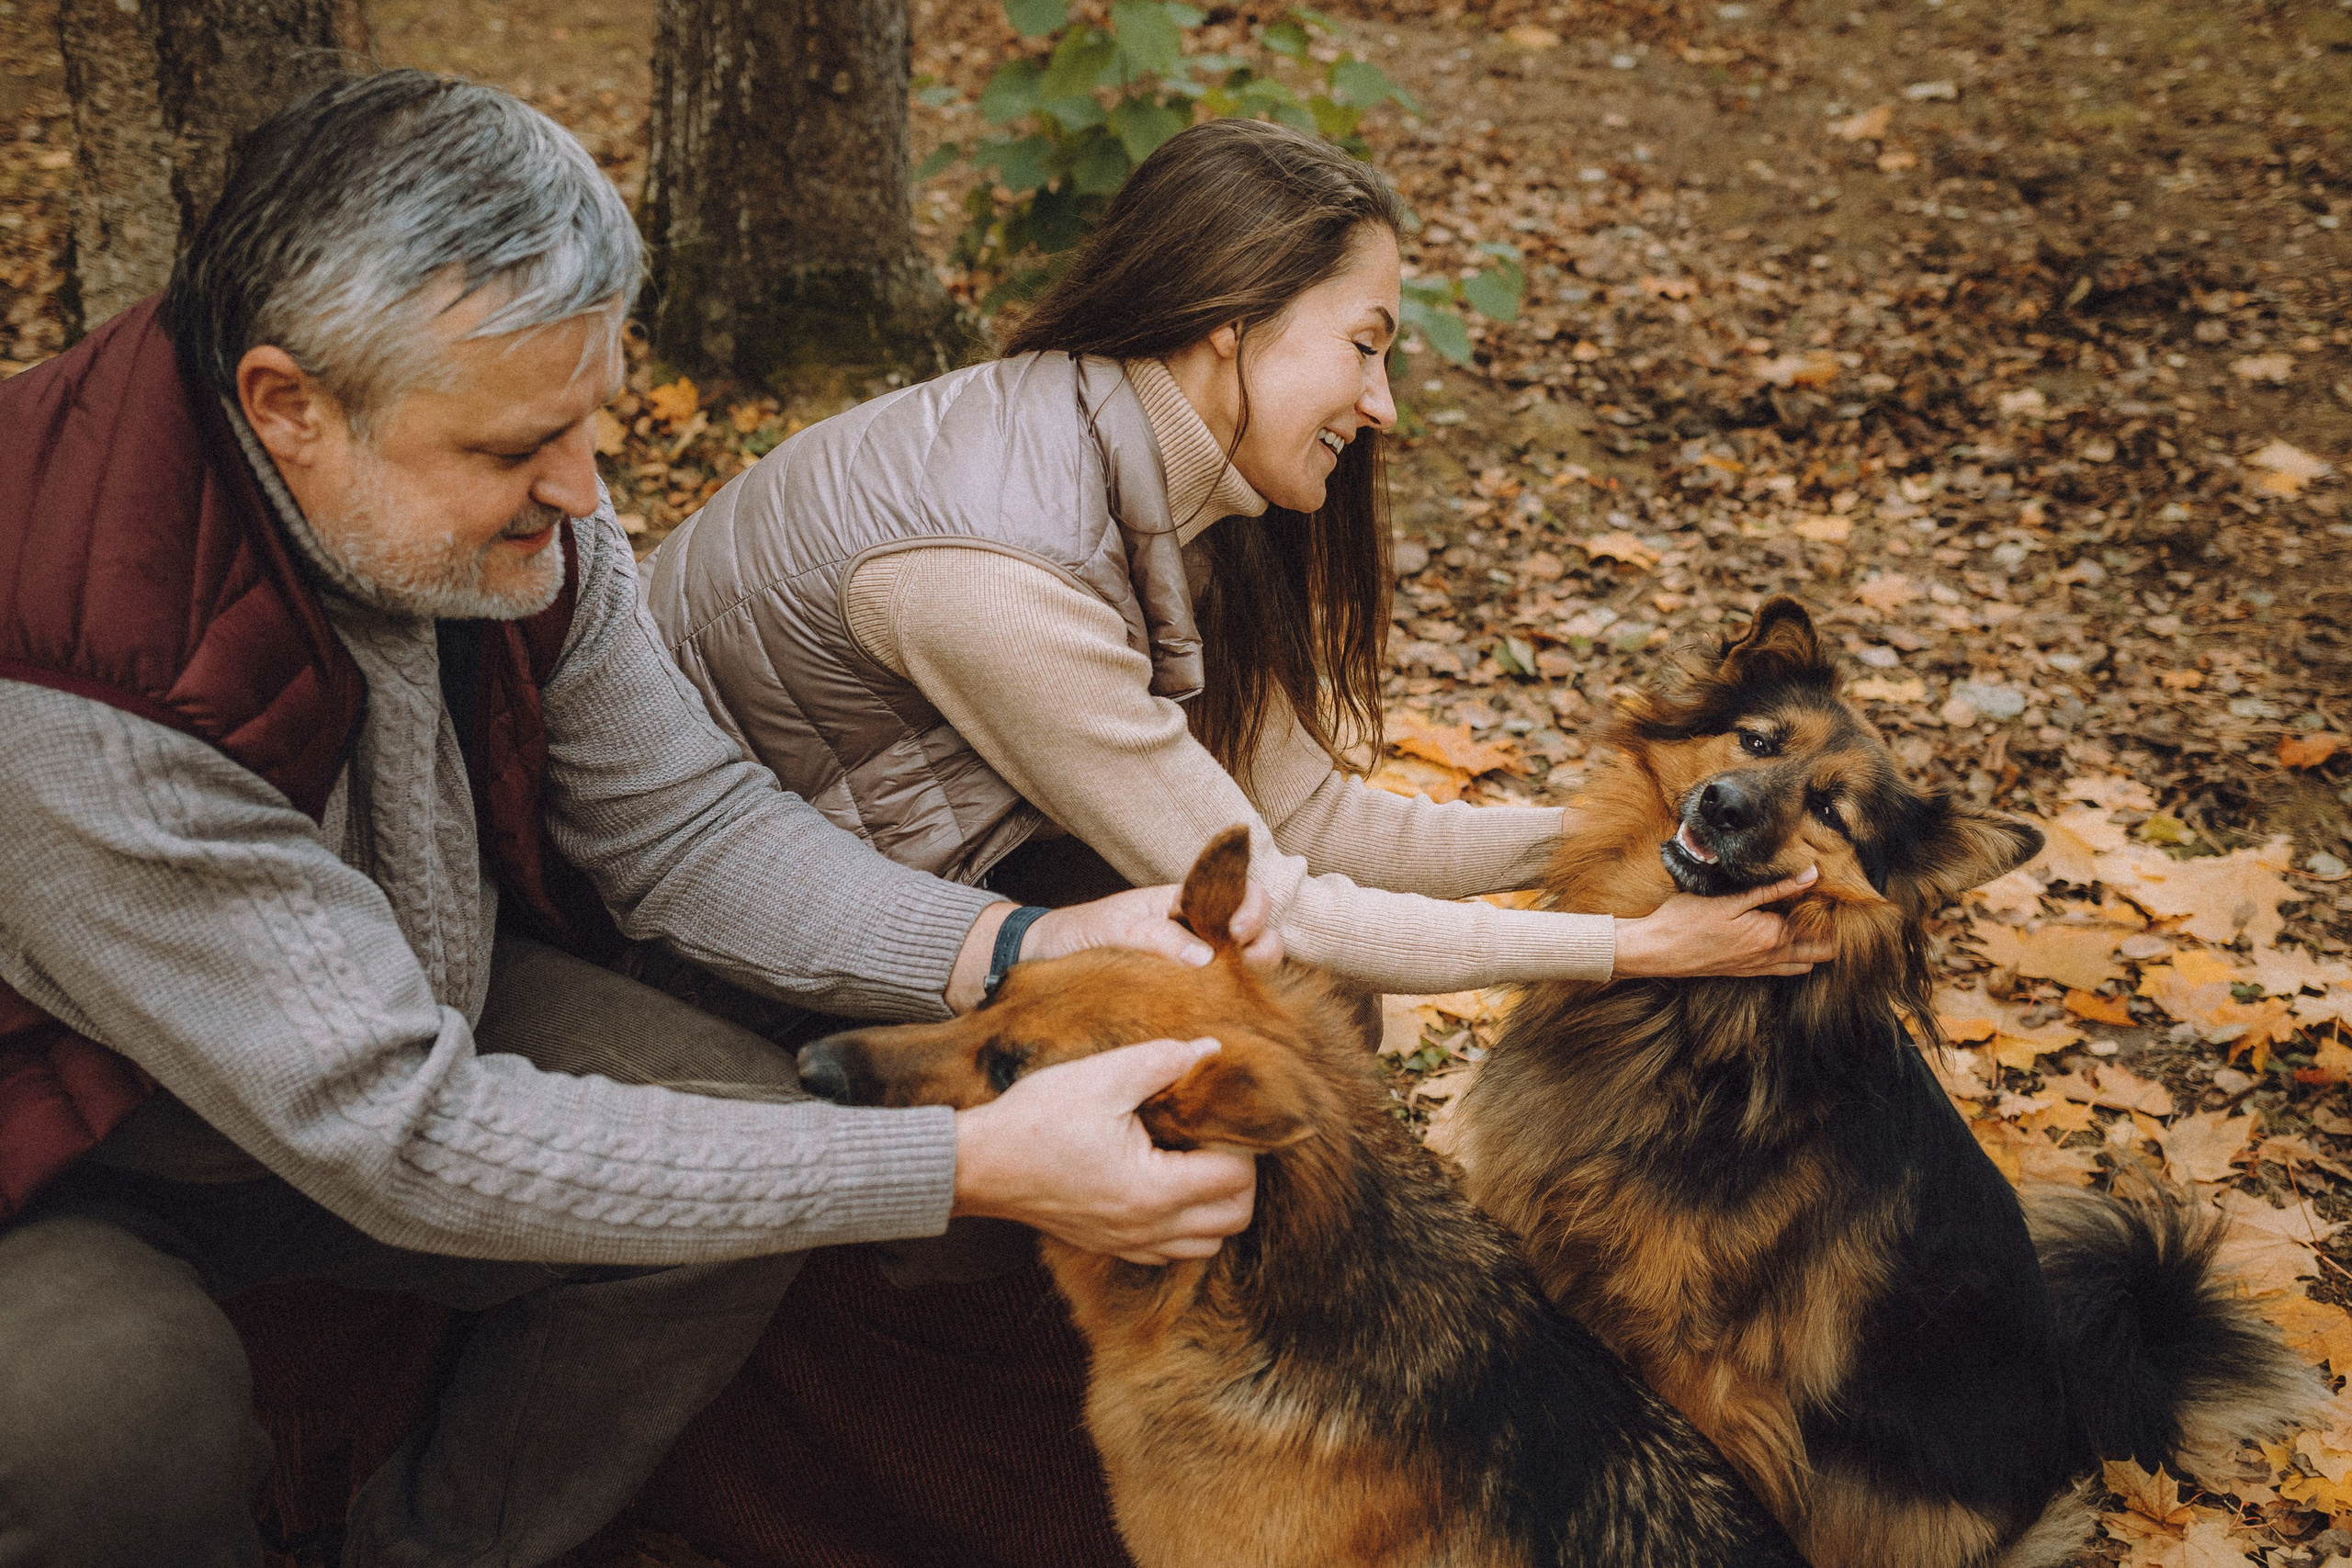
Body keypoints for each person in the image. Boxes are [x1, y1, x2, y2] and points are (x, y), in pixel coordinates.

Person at [0, 72, 1276, 1568]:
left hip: (387, 1019)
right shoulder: (80, 684)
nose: (580, 489)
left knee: (738, 1154)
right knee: (109, 1418)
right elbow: (404, 1130)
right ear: (292, 409)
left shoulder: (508, 489)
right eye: (511, 450)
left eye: (591, 417)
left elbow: (683, 825)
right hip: (67, 1149)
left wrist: (1020, 945)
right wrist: (963, 1166)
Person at [639, 118, 1832, 1566]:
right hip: (710, 935)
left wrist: (1619, 841)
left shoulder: (1166, 487)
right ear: (1231, 324)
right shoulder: (995, 569)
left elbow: (1315, 823)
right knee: (1269, 1008)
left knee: (1308, 1025)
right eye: (1366, 346)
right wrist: (1638, 946)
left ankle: (1314, 1438)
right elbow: (1288, 906)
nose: (1383, 403)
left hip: (914, 873)